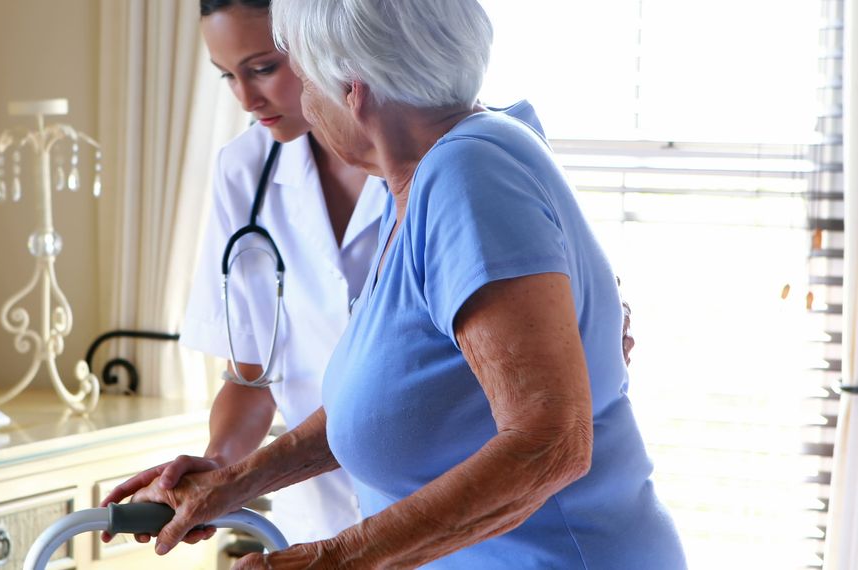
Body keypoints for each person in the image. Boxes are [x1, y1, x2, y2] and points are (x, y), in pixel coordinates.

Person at [104, 0, 685, 568]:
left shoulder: (467, 174)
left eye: (302, 81)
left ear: (351, 91)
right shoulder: (418, 182)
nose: (300, 103)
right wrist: (230, 483)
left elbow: (548, 444)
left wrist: (335, 560)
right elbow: (387, 400)